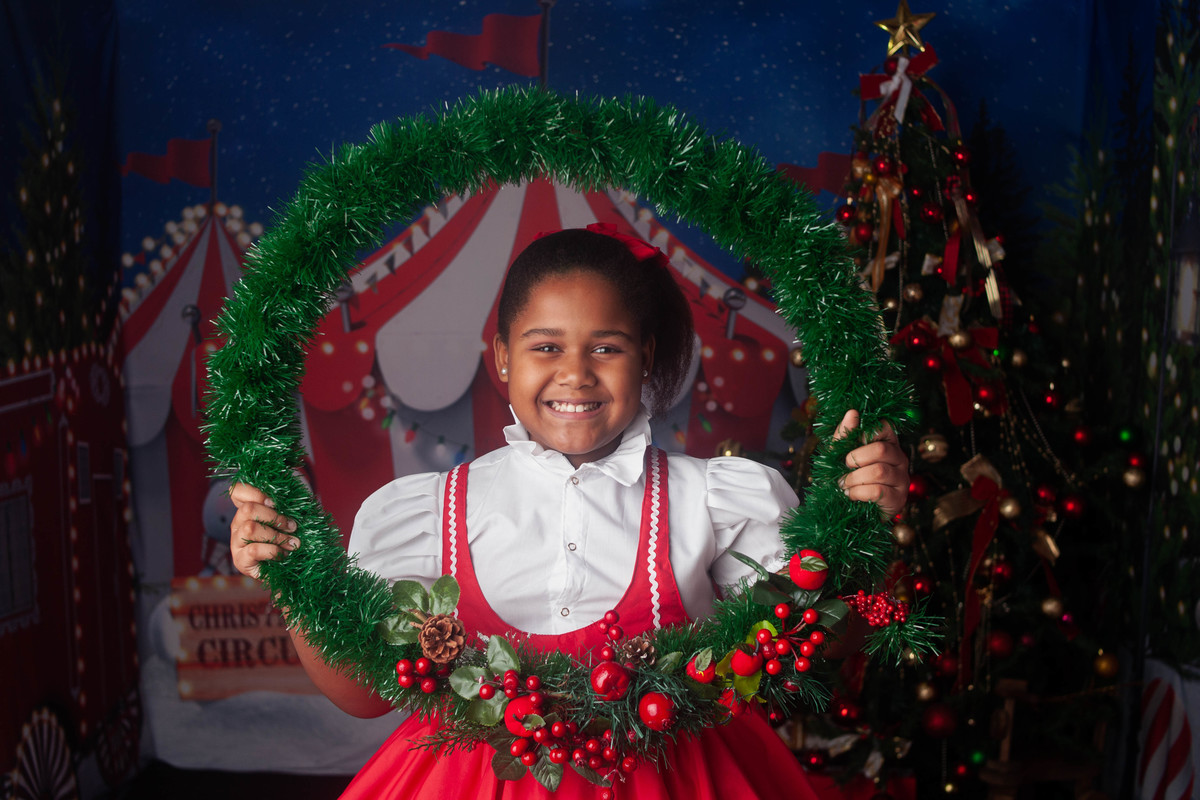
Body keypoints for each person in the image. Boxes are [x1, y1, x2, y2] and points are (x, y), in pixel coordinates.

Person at [229, 226, 909, 798]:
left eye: (606, 347)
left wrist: (865, 530)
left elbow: (813, 645)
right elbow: (364, 694)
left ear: (644, 359)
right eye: (545, 346)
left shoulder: (715, 499)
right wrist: (293, 583)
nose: (576, 373)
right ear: (502, 360)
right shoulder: (428, 513)